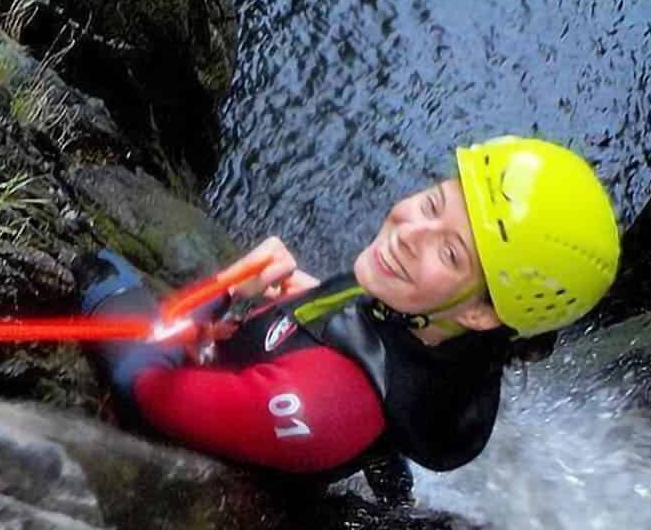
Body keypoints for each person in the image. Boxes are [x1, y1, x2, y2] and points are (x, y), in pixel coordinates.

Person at [76, 135, 620, 502]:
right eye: (433, 204)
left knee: (105, 271)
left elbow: (145, 388)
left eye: (451, 254)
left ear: (481, 313)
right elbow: (368, 330)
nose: (408, 233)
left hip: (235, 443)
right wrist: (305, 302)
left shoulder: (324, 403)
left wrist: (119, 289)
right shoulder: (430, 325)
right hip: (316, 416)